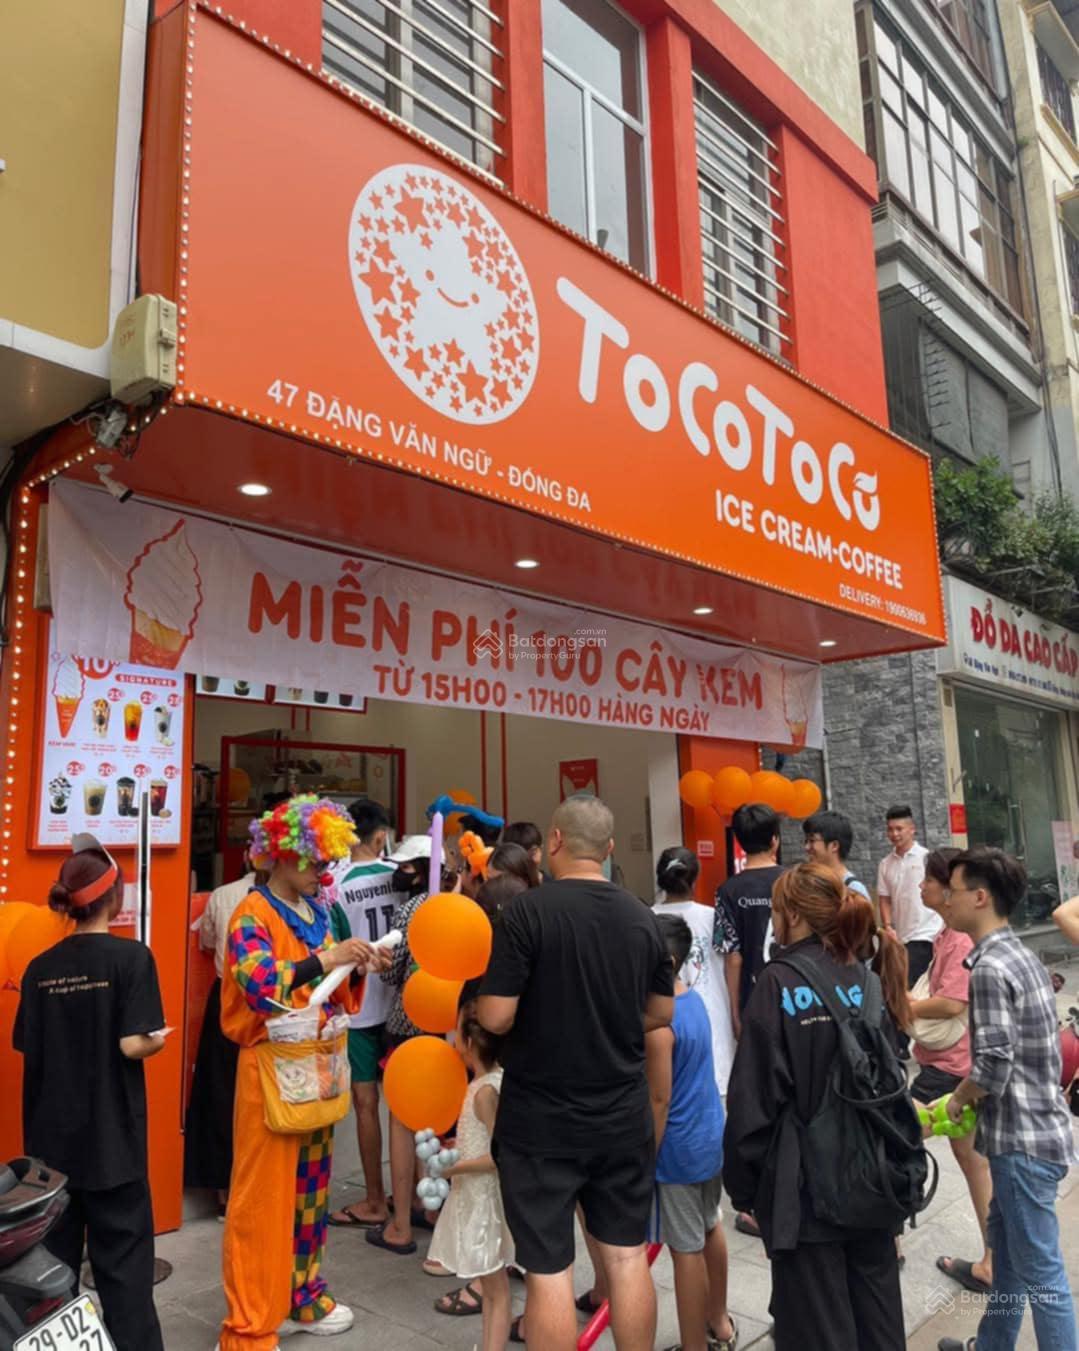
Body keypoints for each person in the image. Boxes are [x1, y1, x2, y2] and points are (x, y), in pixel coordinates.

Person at [477, 796, 674, 1351]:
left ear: (556, 841)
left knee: (549, 1270)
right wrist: (610, 1021)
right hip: (621, 1115)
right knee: (627, 1257)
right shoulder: (641, 915)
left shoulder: (526, 913)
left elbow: (496, 1016)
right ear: (608, 849)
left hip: (540, 1120)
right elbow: (662, 1012)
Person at [218, 796, 387, 1348]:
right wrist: (328, 960)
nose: (324, 872)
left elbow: (330, 991)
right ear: (284, 854)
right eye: (315, 861)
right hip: (269, 1075)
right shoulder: (251, 913)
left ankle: (303, 1295)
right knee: (262, 1202)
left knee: (310, 1197)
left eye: (328, 861)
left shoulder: (320, 911)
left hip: (317, 1073)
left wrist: (357, 965)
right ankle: (249, 1325)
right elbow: (260, 984)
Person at [723, 862, 910, 1351]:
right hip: (873, 1181)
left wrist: (744, 1188)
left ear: (793, 916)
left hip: (805, 1192)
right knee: (879, 1323)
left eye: (775, 911)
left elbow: (753, 1101)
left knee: (817, 1329)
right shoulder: (866, 976)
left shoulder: (777, 982)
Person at [13, 841, 167, 1351]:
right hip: (113, 1147)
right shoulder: (132, 958)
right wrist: (157, 1040)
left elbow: (27, 1044)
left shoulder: (39, 969)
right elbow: (132, 1043)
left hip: (50, 1155)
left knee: (52, 1282)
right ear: (115, 897)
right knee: (125, 1280)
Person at [935, 847, 1077, 1351]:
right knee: (1010, 1259)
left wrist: (958, 1098)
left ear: (980, 897)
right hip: (1035, 1132)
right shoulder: (1020, 955)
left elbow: (993, 1064)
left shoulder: (991, 968)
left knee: (1043, 1276)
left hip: (1022, 1146)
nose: (946, 900)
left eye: (952, 891)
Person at [647, 915, 736, 1351]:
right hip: (709, 1133)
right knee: (710, 1225)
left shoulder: (659, 1028)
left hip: (678, 1149)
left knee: (684, 1250)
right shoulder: (694, 1000)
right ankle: (719, 1320)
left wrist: (646, 1156)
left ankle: (693, 1345)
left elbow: (659, 1101)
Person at [906, 848, 993, 1297]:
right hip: (957, 1063)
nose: (921, 886)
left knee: (894, 1135)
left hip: (949, 1067)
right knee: (972, 1159)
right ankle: (993, 1260)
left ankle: (886, 1242)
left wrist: (905, 1006)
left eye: (929, 880)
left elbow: (953, 1003)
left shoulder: (959, 939)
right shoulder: (947, 933)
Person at [367, 834, 448, 1257]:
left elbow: (392, 971)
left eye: (404, 866)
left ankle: (400, 1225)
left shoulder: (411, 910)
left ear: (419, 869)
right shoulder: (456, 903)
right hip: (445, 1029)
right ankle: (429, 1207)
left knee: (402, 1122)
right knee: (432, 1121)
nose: (398, 873)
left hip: (406, 1027)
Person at [328, 799, 404, 1230]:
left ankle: (375, 1198)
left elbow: (334, 947)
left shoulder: (335, 885)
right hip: (401, 1006)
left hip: (358, 1008)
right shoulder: (400, 873)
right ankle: (411, 1193)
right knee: (406, 1103)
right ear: (380, 836)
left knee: (365, 1104)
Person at [426, 1016, 515, 1349]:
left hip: (484, 1203)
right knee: (491, 1288)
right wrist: (459, 1147)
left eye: (457, 1031)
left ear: (469, 1043)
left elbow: (499, 1156)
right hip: (477, 1197)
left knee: (495, 1290)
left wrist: (454, 1168)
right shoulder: (485, 1082)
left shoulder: (484, 1092)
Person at [185, 844, 259, 1216]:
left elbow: (207, 942)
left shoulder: (223, 895)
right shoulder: (285, 903)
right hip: (267, 1004)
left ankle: (224, 1190)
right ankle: (255, 1185)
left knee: (220, 1091)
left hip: (225, 997)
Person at [654, 846, 735, 1093]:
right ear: (695, 878)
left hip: (661, 1023)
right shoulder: (714, 917)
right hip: (712, 1024)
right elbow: (732, 961)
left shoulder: (646, 919)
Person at [715, 803, 785, 1040]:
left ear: (739, 840)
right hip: (797, 992)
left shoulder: (727, 890)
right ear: (774, 840)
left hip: (753, 997)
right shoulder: (795, 881)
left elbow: (732, 957)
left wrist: (735, 1013)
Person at [877, 806, 938, 987]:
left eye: (899, 829)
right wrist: (888, 926)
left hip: (926, 934)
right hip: (901, 938)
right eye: (890, 829)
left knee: (907, 985)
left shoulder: (926, 858)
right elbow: (884, 898)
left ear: (912, 829)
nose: (894, 834)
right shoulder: (885, 864)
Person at [802, 810, 871, 899]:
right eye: (806, 841)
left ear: (834, 845)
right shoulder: (810, 883)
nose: (807, 847)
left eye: (812, 841)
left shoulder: (854, 890)